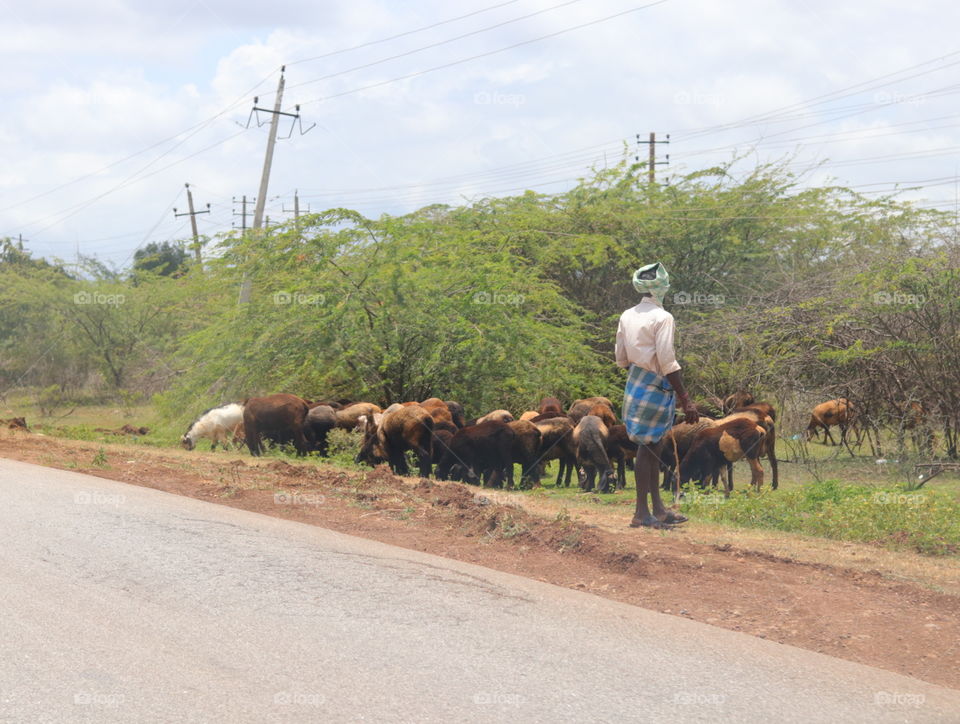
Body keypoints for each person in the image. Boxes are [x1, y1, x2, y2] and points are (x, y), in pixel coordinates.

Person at [615, 262, 699, 528]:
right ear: (661, 286)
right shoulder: (663, 317)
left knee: (652, 446)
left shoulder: (627, 315)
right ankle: (641, 513)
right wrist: (685, 398)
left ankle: (659, 510)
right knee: (647, 448)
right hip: (656, 385)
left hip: (635, 382)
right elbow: (667, 360)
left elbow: (620, 357)